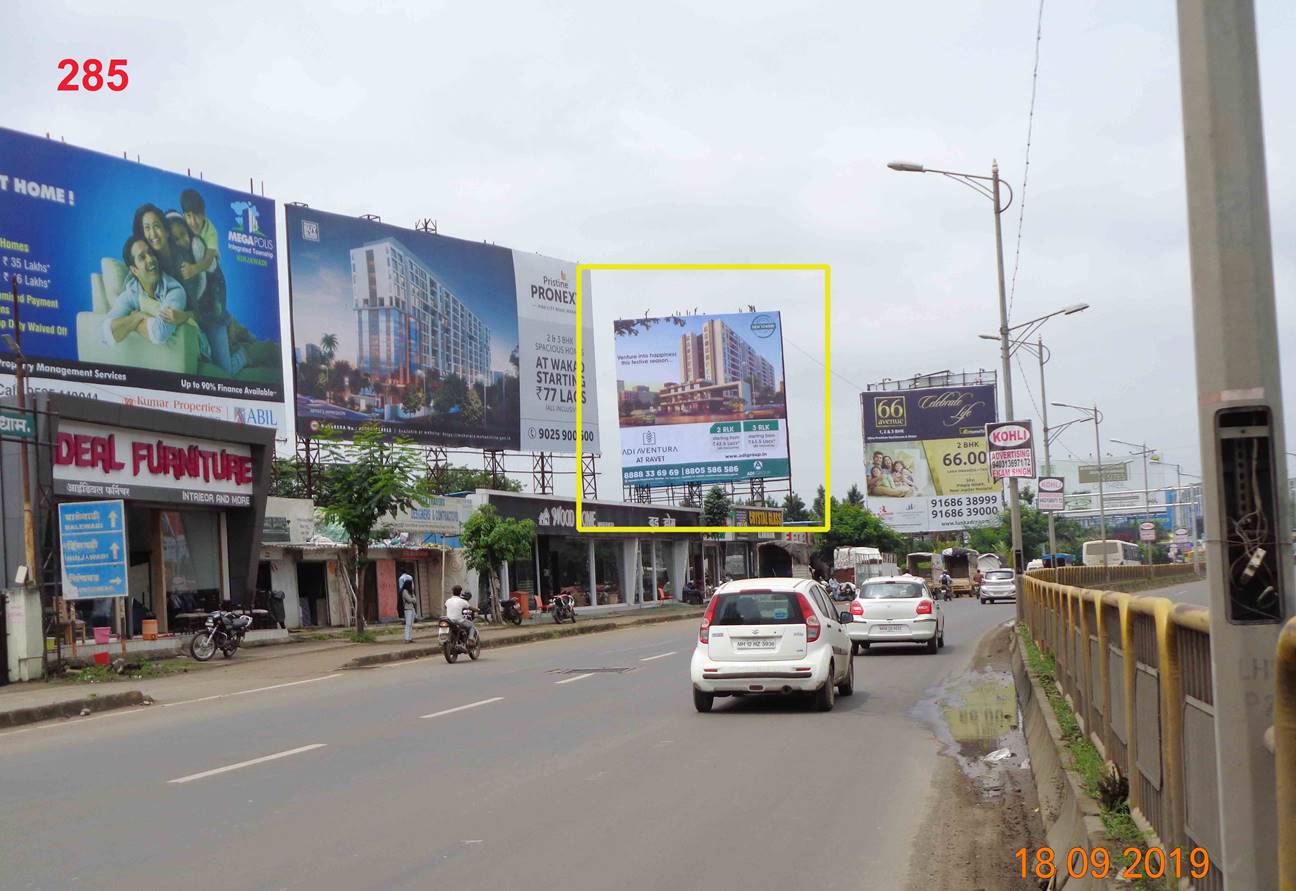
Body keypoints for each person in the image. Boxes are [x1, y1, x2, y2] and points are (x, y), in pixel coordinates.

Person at [103, 237, 189, 345]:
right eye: (142, 257)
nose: (150, 259)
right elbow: (106, 333)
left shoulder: (174, 290)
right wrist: (137, 317)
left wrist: (129, 324)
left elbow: (160, 333)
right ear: (134, 270)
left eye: (151, 253)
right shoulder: (132, 292)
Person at [399, 572, 417, 642]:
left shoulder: (410, 592)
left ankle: (410, 638)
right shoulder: (404, 591)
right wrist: (413, 599)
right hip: (407, 609)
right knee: (408, 624)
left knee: (411, 624)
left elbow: (415, 600)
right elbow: (409, 600)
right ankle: (407, 638)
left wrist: (413, 599)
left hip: (412, 608)